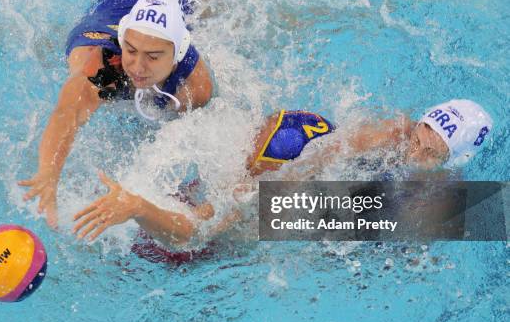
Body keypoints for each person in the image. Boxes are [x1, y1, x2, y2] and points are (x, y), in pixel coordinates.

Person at [73, 99, 493, 249]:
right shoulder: (385, 134)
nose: (414, 149)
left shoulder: (441, 189)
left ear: (450, 162)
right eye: (421, 134)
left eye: (430, 152)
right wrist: (264, 188)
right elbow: (322, 156)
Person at [19, 0, 214, 228]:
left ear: (177, 57)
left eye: (153, 57)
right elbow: (68, 113)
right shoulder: (103, 69)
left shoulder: (195, 84)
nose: (137, 67)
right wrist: (49, 171)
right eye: (131, 51)